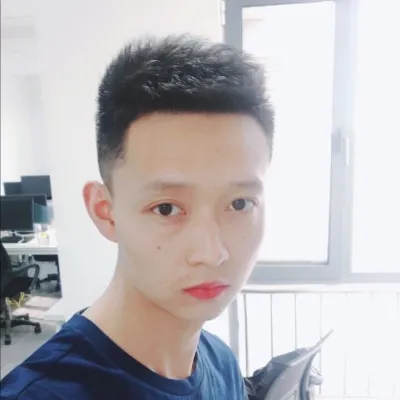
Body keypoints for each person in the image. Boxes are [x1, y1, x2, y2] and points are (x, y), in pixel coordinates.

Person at [0, 34, 274, 399]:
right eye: (166, 208)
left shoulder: (221, 362)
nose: (211, 253)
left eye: (239, 204)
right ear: (105, 211)